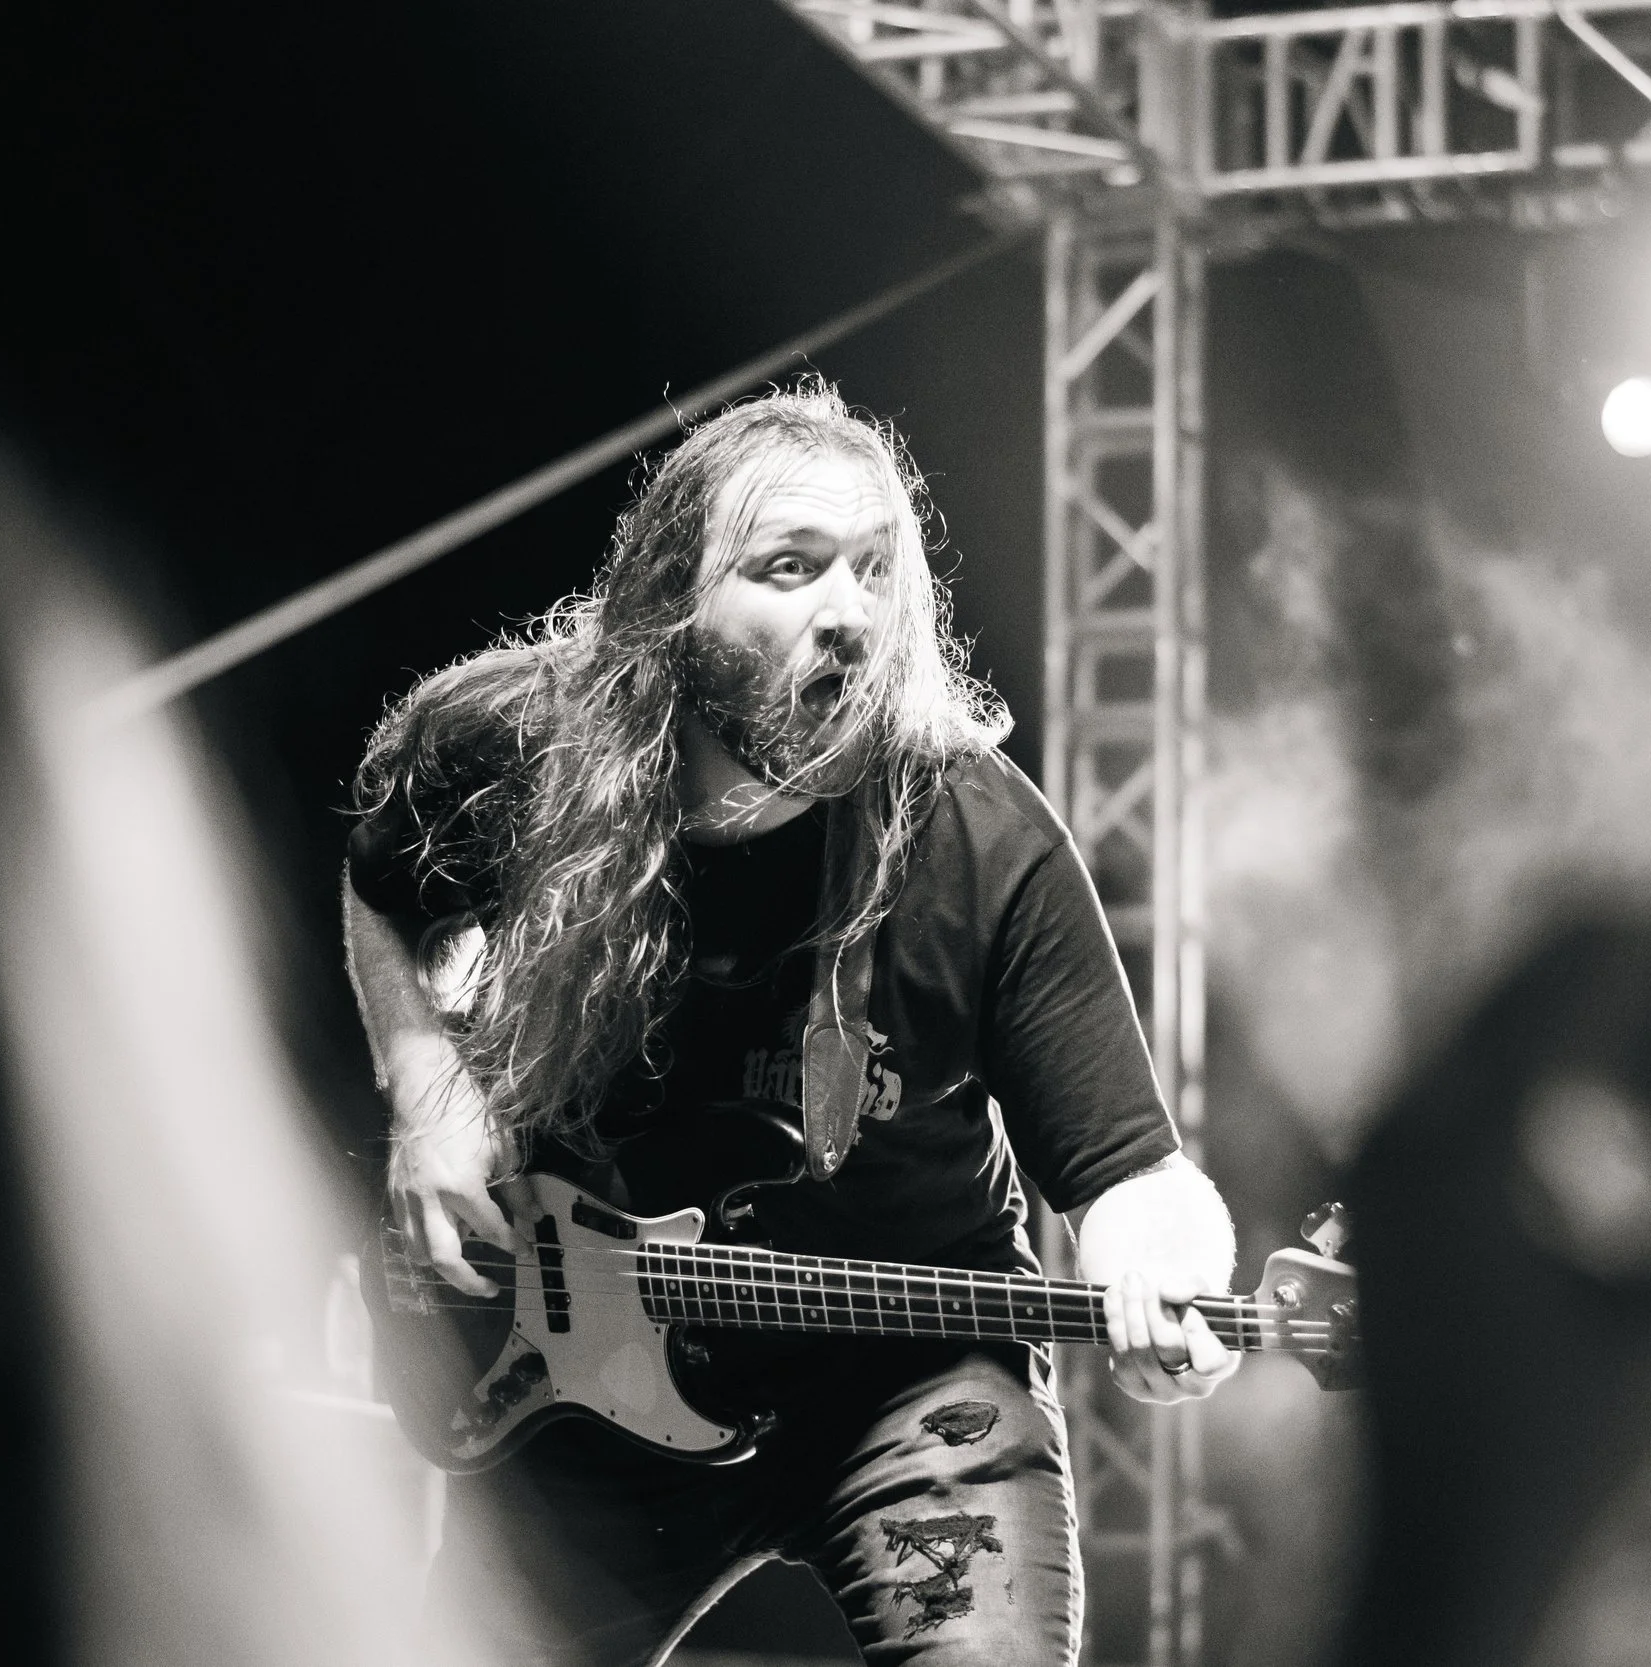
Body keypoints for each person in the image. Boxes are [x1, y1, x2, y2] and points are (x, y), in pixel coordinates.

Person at [341, 382, 1238, 1667]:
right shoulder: (517, 748)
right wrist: (427, 1090)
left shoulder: (980, 835)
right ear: (672, 605)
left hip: (913, 1379)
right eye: (790, 566)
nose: (851, 611)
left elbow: (1133, 1174)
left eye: (874, 568)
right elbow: (380, 885)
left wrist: (1167, 1273)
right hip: (589, 1372)